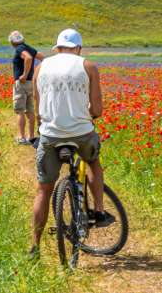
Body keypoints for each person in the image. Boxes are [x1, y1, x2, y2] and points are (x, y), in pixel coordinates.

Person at [30, 27, 115, 257]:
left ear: (57, 48)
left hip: (50, 133)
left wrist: (45, 123)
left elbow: (37, 105)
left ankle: (35, 246)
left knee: (43, 190)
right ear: (78, 48)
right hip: (81, 133)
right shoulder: (87, 66)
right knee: (93, 162)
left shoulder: (41, 67)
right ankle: (98, 211)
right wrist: (90, 115)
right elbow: (97, 108)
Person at [9, 31, 39, 145]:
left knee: (20, 111)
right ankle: (31, 137)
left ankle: (22, 137)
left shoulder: (19, 49)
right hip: (30, 83)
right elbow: (41, 57)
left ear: (12, 42)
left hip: (22, 83)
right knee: (30, 110)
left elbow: (29, 58)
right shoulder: (28, 47)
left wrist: (24, 75)